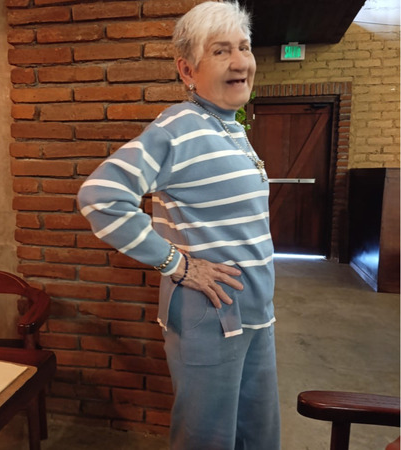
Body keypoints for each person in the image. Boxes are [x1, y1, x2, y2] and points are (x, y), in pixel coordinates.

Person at [77, 1, 280, 449]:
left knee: (257, 436)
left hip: (256, 312)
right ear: (188, 70)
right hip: (213, 316)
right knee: (208, 439)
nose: (240, 62)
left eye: (244, 47)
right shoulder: (179, 126)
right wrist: (178, 264)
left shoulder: (230, 126)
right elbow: (100, 197)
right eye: (221, 51)